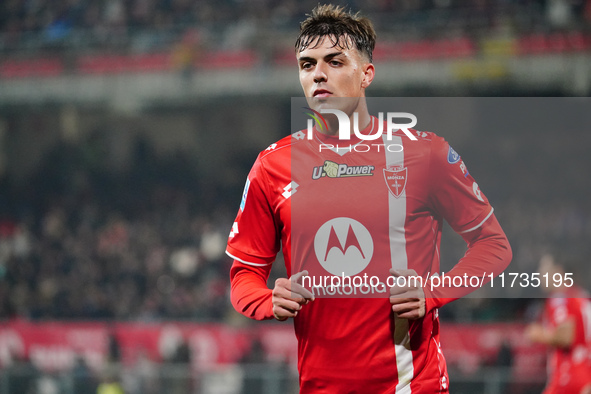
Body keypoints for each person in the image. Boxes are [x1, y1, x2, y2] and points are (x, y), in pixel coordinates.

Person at [226, 4, 512, 393]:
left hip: (413, 384)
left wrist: (434, 292)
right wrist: (267, 300)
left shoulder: (425, 155)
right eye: (307, 65)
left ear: (366, 74)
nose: (318, 74)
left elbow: (493, 245)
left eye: (334, 61)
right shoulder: (272, 165)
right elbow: (244, 276)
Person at [526, 254, 591, 394]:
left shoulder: (560, 298)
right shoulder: (581, 295)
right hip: (584, 374)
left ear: (558, 271)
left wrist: (539, 334)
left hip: (569, 376)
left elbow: (566, 337)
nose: (539, 274)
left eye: (543, 269)